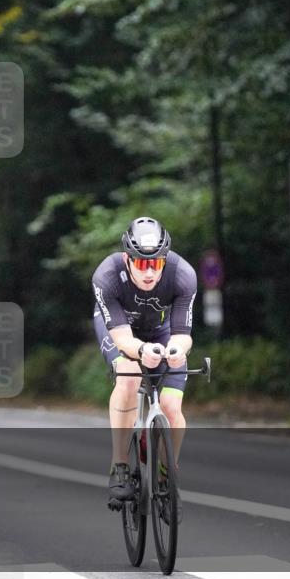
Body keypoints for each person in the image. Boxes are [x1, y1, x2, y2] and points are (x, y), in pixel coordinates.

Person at [91, 218, 196, 508]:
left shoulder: (183, 274)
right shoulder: (107, 275)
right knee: (129, 375)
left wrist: (176, 350)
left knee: (172, 407)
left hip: (162, 331)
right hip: (119, 329)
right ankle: (120, 466)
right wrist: (140, 350)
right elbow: (123, 338)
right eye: (141, 264)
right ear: (128, 259)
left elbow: (183, 334)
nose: (149, 272)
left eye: (156, 263)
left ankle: (166, 475)